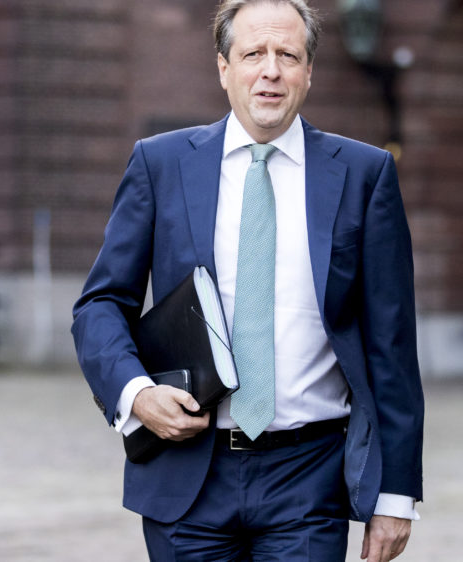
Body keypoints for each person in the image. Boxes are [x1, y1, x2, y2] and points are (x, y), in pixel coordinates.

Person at [71, 0, 424, 560]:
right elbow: (100, 303)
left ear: (309, 71)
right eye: (253, 53)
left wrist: (396, 494)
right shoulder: (161, 165)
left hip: (309, 478)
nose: (271, 71)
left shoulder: (364, 175)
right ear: (224, 67)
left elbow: (392, 345)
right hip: (187, 474)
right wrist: (137, 395)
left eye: (288, 55)